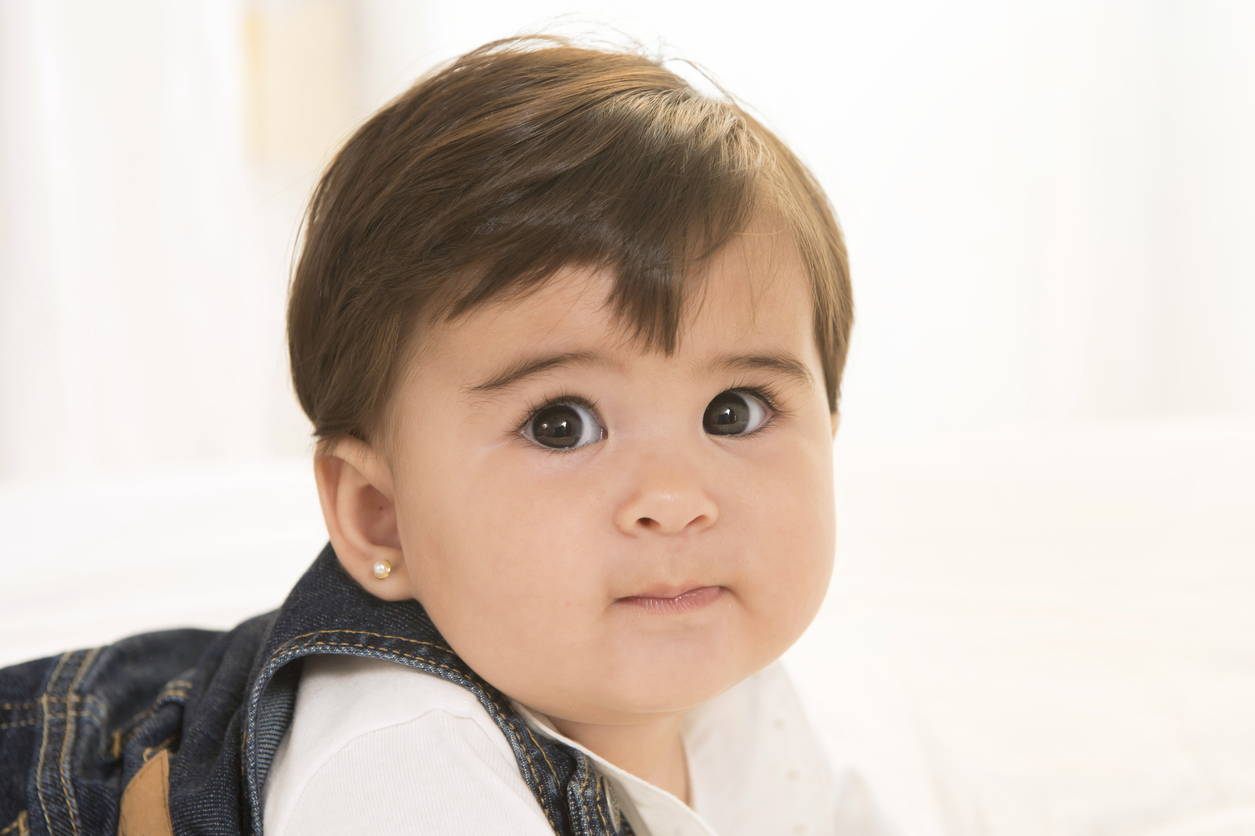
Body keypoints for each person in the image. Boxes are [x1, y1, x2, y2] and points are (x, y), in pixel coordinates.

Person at [0, 35, 891, 836]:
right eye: (560, 425)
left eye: (733, 411)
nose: (675, 498)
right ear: (381, 516)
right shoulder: (399, 758)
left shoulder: (731, 678)